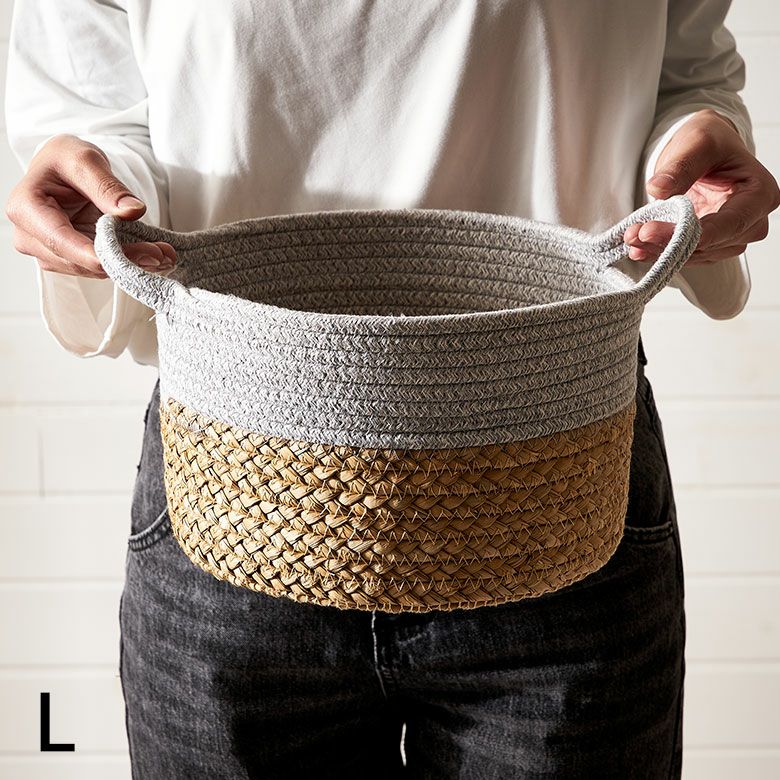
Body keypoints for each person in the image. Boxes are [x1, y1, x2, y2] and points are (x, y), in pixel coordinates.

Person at [5, 1, 779, 778]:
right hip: (237, 490)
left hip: (560, 478)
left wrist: (695, 149)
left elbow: (684, 72)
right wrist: (99, 187)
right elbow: (96, 101)